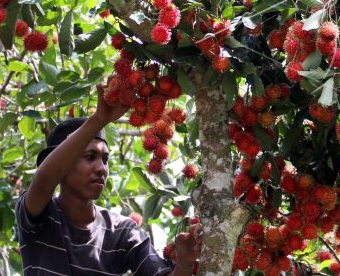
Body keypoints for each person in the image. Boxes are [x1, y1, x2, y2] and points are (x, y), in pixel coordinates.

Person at [15, 84, 201, 275]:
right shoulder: (39, 216)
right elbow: (44, 180)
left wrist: (185, 263)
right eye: (89, 157)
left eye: (105, 159)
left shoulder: (123, 231)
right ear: (64, 165)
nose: (101, 168)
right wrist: (99, 119)